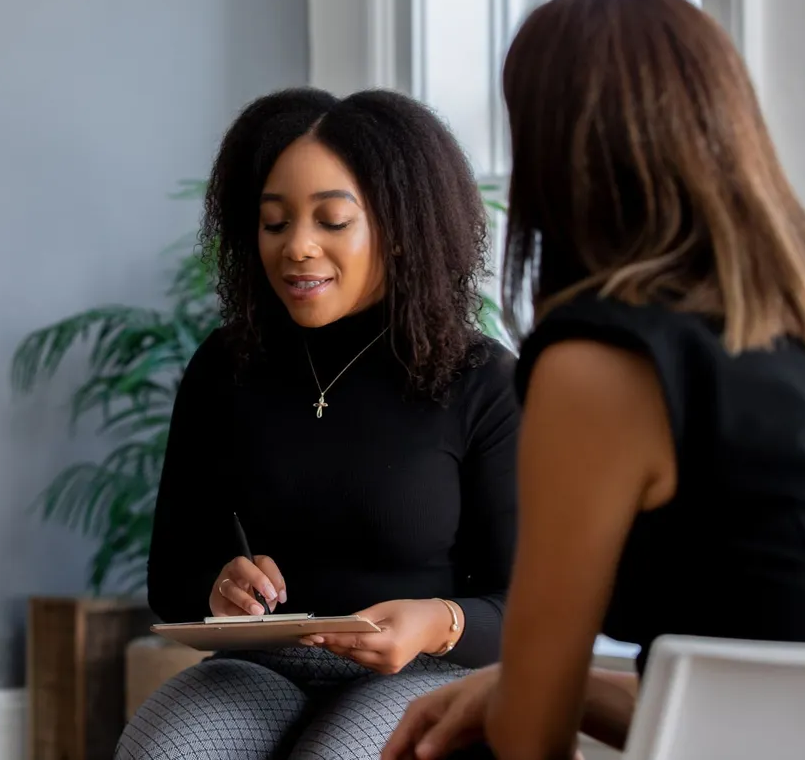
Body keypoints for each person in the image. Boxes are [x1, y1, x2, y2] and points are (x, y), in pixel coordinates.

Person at [383, 0, 805, 760]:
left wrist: (528, 693)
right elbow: (771, 696)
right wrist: (546, 686)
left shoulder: (602, 366)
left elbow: (530, 739)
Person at [116, 88, 520, 760]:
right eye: (274, 223)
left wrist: (437, 621)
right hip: (263, 668)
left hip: (428, 671)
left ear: (402, 225)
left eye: (333, 219)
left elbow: (530, 610)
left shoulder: (481, 379)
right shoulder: (226, 364)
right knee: (165, 749)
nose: (298, 247)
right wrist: (219, 587)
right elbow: (172, 578)